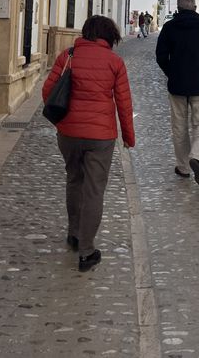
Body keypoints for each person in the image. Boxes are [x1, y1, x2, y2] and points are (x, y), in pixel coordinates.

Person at [42, 15, 135, 271]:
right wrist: (128, 136)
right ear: (109, 36)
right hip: (100, 137)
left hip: (69, 133)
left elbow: (48, 92)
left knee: (74, 180)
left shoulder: (68, 56)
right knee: (94, 190)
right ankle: (86, 250)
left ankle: (73, 233)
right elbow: (124, 105)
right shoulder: (115, 62)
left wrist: (63, 123)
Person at [155, 0, 199, 186]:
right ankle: (198, 157)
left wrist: (171, 72)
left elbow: (161, 56)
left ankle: (183, 167)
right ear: (194, 7)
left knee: (179, 126)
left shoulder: (169, 27)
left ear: (178, 8)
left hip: (177, 86)